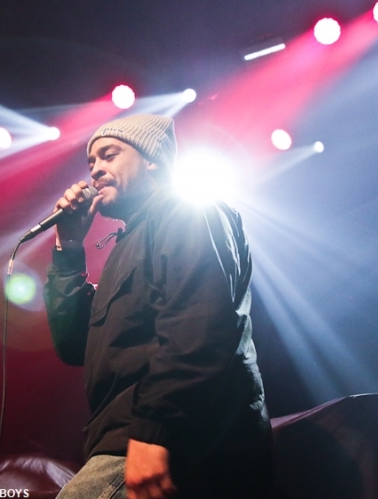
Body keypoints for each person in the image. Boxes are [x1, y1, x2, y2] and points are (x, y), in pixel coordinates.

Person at [44, 114, 273, 499]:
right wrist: (68, 249)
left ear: (152, 159)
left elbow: (199, 327)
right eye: (91, 162)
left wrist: (154, 432)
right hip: (129, 438)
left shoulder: (188, 211)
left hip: (183, 440)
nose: (95, 170)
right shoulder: (126, 244)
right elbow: (72, 346)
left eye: (109, 155)